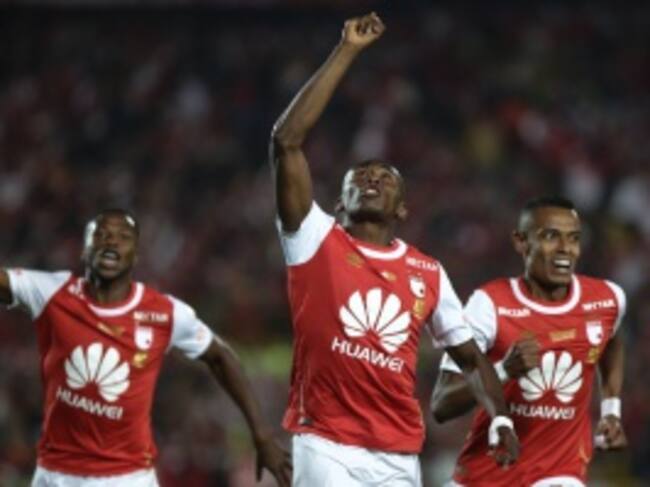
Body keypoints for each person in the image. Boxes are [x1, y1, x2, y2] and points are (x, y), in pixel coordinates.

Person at [269, 12, 519, 486]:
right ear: (339, 202)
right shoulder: (314, 238)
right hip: (325, 443)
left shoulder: (428, 271)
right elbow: (286, 141)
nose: (372, 180)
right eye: (360, 177)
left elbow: (470, 359)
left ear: (402, 209)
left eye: (385, 179)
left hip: (399, 454)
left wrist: (501, 418)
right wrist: (347, 50)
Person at [0, 209, 292, 487]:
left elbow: (220, 356)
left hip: (127, 478)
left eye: (123, 236)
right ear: (84, 249)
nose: (111, 241)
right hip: (57, 476)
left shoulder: (164, 312)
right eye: (101, 235)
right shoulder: (53, 292)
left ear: (136, 255)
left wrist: (262, 435)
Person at [431, 196, 627, 487]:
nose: (565, 249)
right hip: (486, 474)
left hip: (561, 472)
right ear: (521, 241)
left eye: (573, 238)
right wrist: (504, 370)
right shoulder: (489, 305)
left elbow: (610, 339)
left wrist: (611, 409)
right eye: (551, 236)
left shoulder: (608, 299)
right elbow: (442, 404)